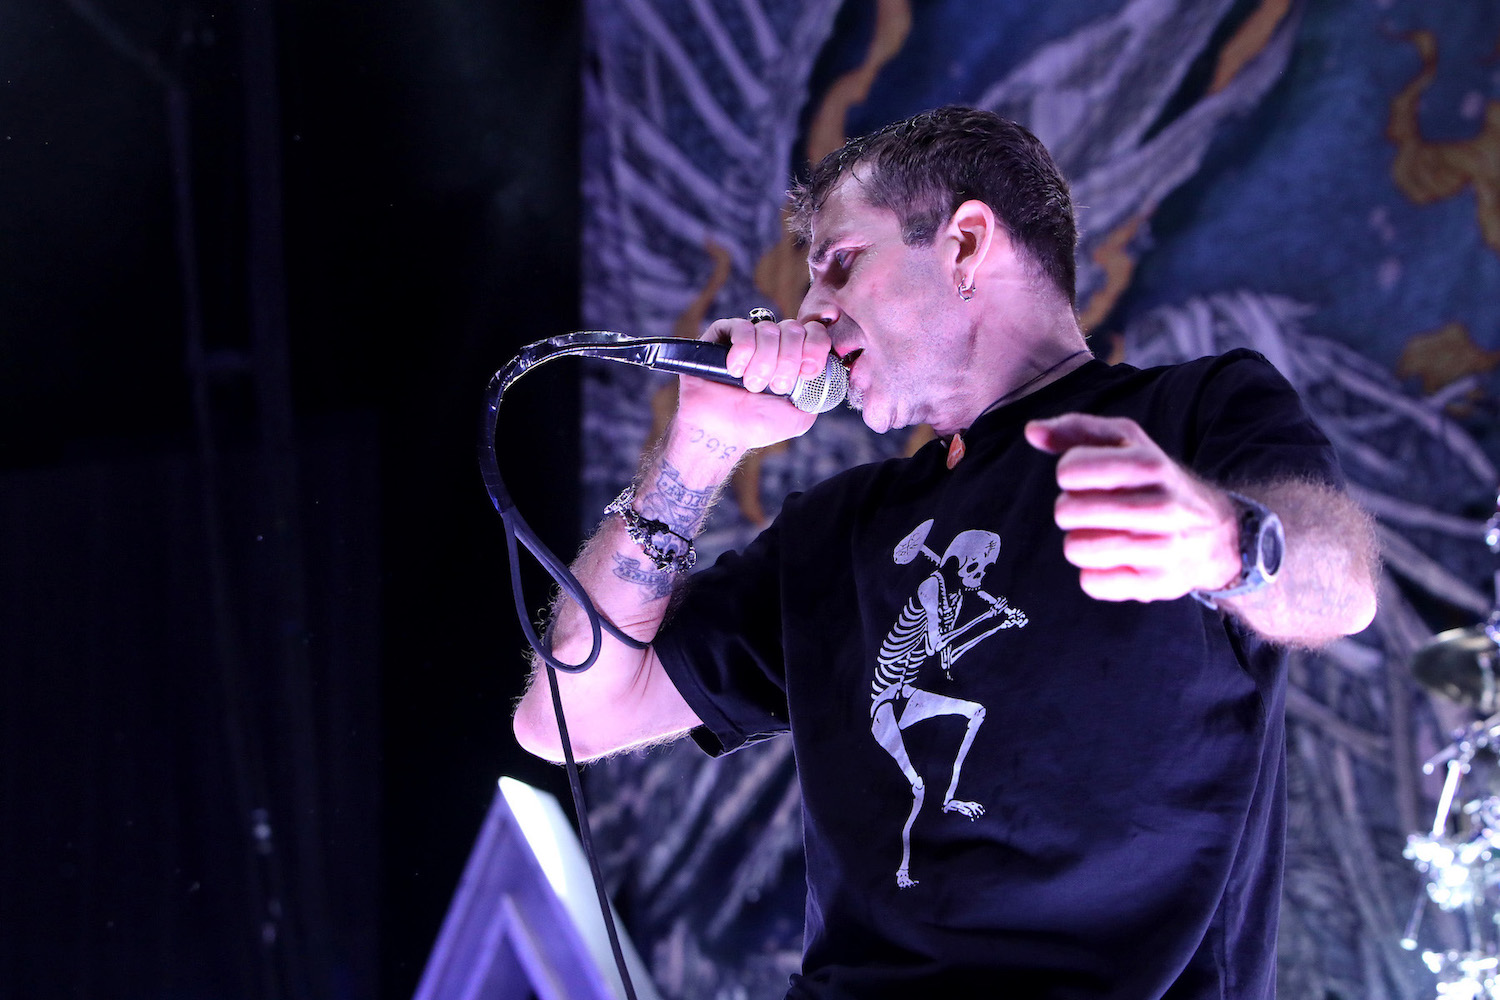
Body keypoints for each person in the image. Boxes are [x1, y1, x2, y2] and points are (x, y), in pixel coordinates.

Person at [513, 107, 1378, 998]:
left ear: (965, 245)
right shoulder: (837, 529)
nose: (811, 310)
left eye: (841, 264)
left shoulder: (1192, 413)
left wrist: (1230, 545)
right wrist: (698, 450)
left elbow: (1342, 587)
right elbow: (563, 720)